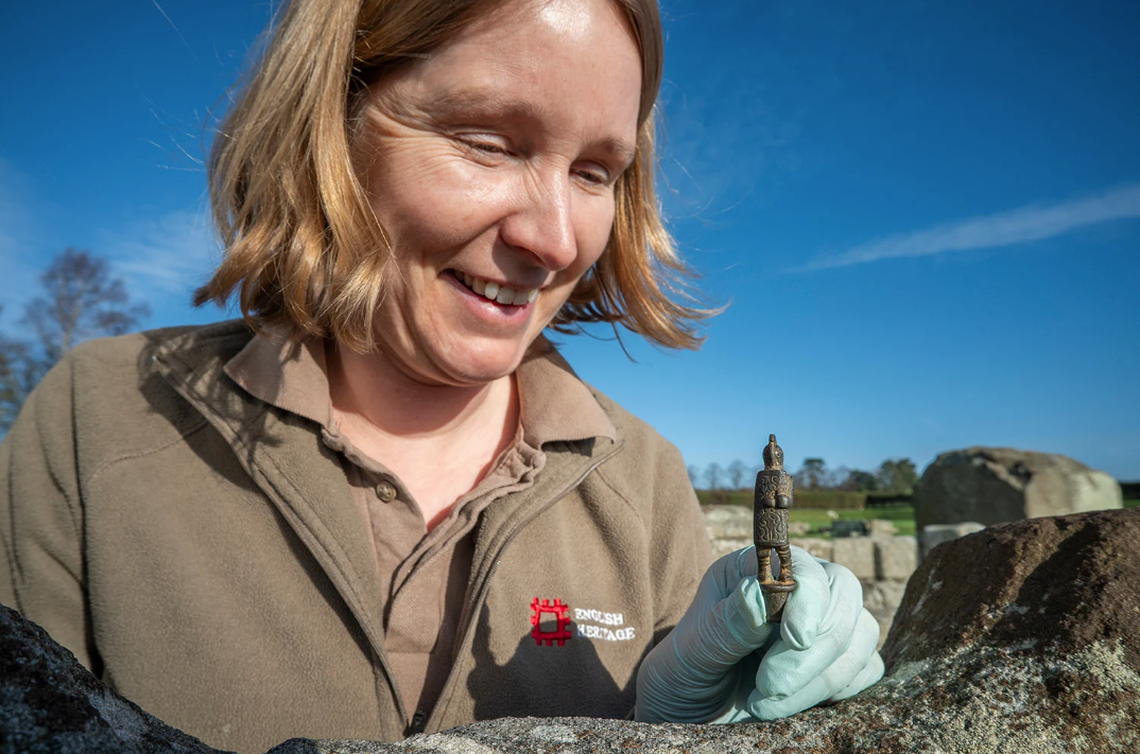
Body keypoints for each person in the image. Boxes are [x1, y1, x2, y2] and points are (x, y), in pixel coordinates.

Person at [0, 0, 883, 751]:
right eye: (490, 142)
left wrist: (692, 726)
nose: (556, 240)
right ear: (331, 127)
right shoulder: (97, 420)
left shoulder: (643, 480)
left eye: (593, 172)